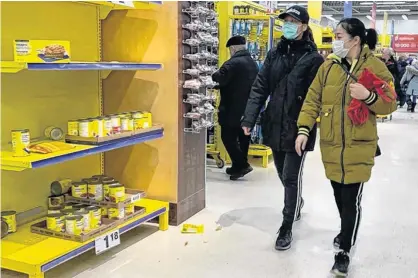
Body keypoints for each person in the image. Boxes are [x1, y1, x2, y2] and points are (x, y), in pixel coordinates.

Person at [295, 18, 397, 276]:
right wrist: (304, 129)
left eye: (338, 35)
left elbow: (390, 103)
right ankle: (345, 229)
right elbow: (312, 99)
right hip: (331, 145)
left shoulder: (375, 66)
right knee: (339, 195)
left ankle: (344, 252)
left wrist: (368, 96)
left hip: (359, 145)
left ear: (355, 40)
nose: (335, 39)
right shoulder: (328, 66)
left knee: (351, 199)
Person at [241, 5, 324, 250]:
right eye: (285, 21)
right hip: (275, 123)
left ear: (304, 26)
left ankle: (286, 225)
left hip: (299, 127)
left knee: (290, 176)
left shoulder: (314, 59)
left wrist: (306, 127)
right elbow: (259, 87)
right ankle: (296, 202)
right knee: (281, 172)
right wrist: (249, 119)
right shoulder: (274, 54)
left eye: (293, 21)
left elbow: (315, 97)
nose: (288, 25)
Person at [212, 36, 258, 180]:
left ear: (232, 49)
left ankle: (241, 164)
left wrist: (213, 74)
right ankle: (238, 167)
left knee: (227, 136)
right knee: (243, 137)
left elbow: (219, 77)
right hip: (248, 108)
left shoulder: (232, 63)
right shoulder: (252, 63)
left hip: (232, 107)